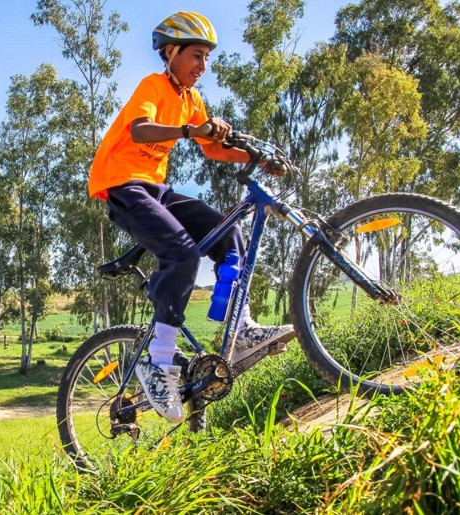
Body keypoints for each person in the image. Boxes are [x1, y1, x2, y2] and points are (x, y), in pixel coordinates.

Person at [88, 11, 295, 423]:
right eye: (196, 56)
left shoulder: (191, 99)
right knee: (182, 254)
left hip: (156, 188)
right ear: (171, 52)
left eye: (206, 58)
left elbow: (214, 149)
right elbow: (140, 131)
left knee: (227, 235)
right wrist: (189, 130)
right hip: (122, 186)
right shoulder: (154, 86)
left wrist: (256, 157)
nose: (203, 66)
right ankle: (157, 361)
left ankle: (243, 330)